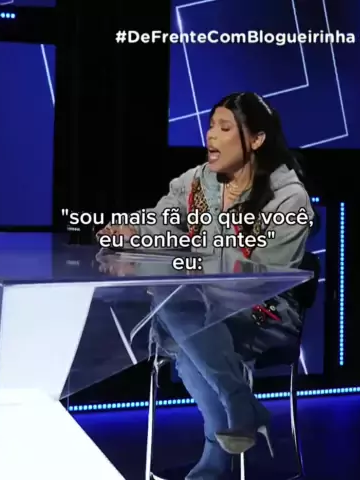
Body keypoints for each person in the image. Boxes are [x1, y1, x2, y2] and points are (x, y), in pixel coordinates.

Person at [98, 92, 314, 479]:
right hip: (202, 307)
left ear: (256, 139)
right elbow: (164, 217)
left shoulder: (289, 198)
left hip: (263, 313)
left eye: (224, 128)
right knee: (175, 307)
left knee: (180, 320)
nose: (210, 135)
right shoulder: (198, 182)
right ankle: (240, 406)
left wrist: (191, 254)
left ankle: (223, 435)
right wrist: (133, 230)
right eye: (211, 125)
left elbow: (266, 274)